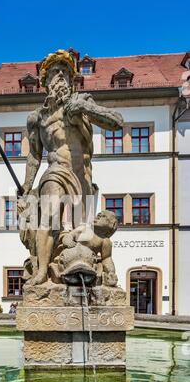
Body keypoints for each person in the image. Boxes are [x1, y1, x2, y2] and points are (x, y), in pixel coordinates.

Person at [18, 50, 123, 285]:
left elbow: (117, 122)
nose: (61, 76)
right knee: (49, 215)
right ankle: (42, 272)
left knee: (83, 233)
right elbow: (34, 156)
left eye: (65, 72)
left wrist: (86, 110)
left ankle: (88, 273)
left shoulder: (83, 102)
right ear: (45, 81)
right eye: (56, 72)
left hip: (82, 177)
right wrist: (26, 186)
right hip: (56, 171)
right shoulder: (38, 118)